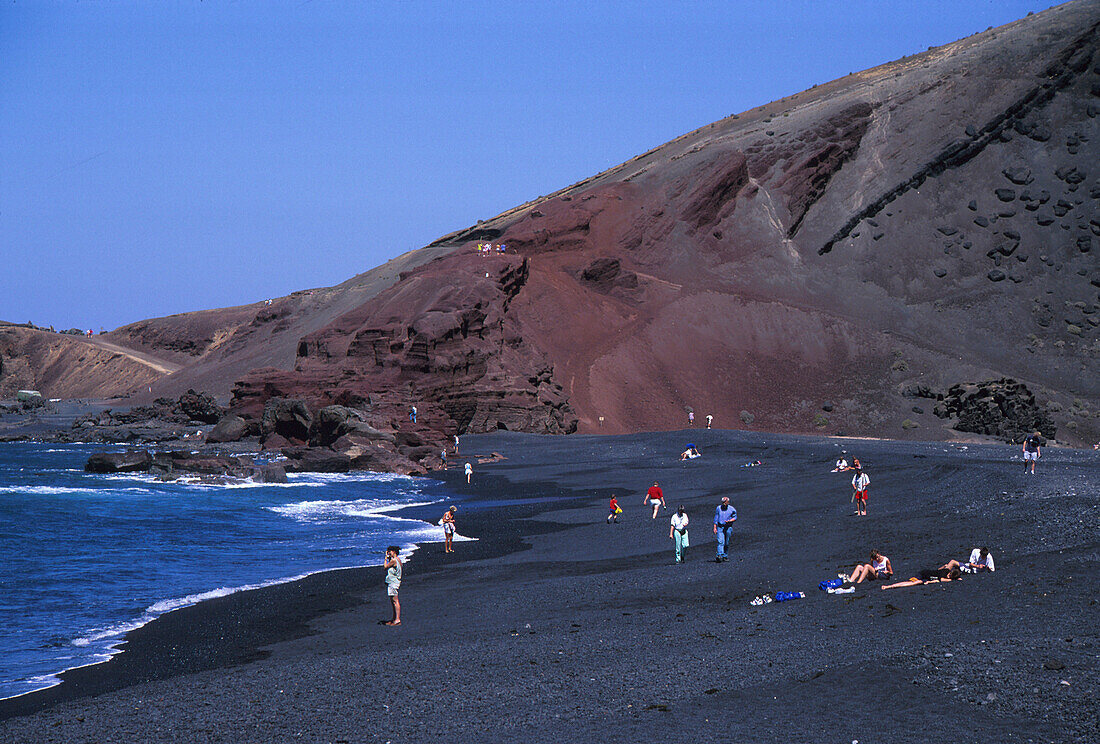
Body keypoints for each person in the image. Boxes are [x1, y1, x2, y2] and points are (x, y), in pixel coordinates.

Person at [880, 565, 962, 589]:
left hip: (926, 579)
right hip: (923, 574)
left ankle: (890, 586)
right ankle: (890, 586)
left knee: (917, 583)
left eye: (950, 576)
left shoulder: (947, 576)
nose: (948, 575)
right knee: (911, 582)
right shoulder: (945, 574)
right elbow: (941, 579)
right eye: (949, 574)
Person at [713, 496, 737, 562]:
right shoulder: (718, 508)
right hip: (720, 527)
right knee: (720, 541)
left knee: (726, 542)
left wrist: (730, 521)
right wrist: (715, 527)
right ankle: (719, 555)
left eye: (725, 502)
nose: (724, 504)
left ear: (728, 502)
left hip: (728, 527)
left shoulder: (732, 509)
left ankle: (725, 556)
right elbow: (716, 518)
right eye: (723, 502)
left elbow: (735, 517)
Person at [383, 546, 402, 625]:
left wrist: (385, 559)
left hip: (393, 583)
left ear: (394, 551)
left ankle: (397, 619)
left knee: (395, 601)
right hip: (394, 582)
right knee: (393, 601)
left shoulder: (393, 560)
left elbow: (385, 567)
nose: (389, 553)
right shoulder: (398, 560)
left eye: (390, 551)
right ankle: (394, 618)